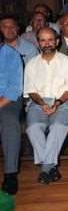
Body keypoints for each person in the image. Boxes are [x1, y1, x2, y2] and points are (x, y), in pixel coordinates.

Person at [23, 27, 68, 184]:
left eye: (50, 40)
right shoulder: (31, 64)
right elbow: (31, 90)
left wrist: (57, 103)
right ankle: (51, 167)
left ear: (57, 41)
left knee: (57, 127)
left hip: (63, 101)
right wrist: (42, 103)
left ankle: (45, 168)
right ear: (38, 43)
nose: (47, 43)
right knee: (33, 127)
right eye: (43, 40)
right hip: (38, 103)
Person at [0, 39, 23, 194]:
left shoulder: (11, 55)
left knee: (10, 123)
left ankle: (10, 174)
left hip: (7, 100)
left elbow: (15, 88)